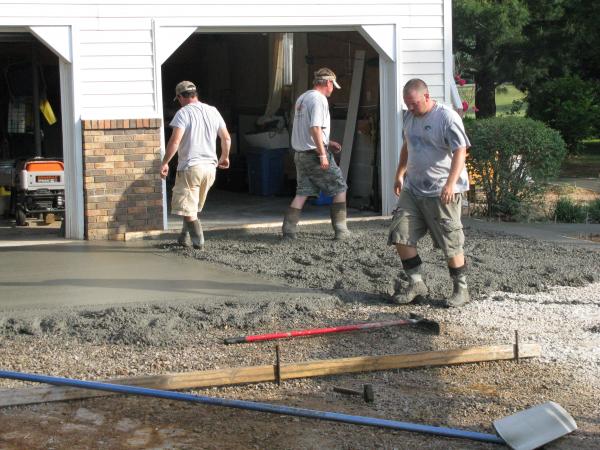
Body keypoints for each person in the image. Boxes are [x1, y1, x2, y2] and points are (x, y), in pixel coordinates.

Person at [388, 78, 471, 307]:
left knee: (450, 240)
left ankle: (461, 290)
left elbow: (460, 151)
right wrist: (399, 173)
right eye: (407, 104)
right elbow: (407, 145)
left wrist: (450, 184)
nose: (411, 108)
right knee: (400, 233)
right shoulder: (409, 116)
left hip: (442, 190)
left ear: (426, 96)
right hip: (413, 188)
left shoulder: (446, 117)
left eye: (414, 103)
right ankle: (416, 284)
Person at [160, 81, 231, 250]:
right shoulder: (213, 110)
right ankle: (183, 238)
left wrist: (165, 162)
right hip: (210, 168)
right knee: (191, 207)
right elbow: (226, 138)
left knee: (188, 207)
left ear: (179, 97)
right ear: (195, 94)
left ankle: (199, 243)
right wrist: (225, 157)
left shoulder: (183, 113)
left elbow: (175, 141)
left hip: (191, 168)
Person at [282, 67, 350, 240]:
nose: (332, 89)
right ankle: (341, 230)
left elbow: (308, 129)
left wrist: (328, 142)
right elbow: (314, 127)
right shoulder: (319, 99)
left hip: (299, 153)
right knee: (340, 187)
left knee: (302, 192)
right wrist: (322, 153)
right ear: (328, 83)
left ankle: (288, 231)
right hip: (313, 155)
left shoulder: (302, 98)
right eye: (332, 85)